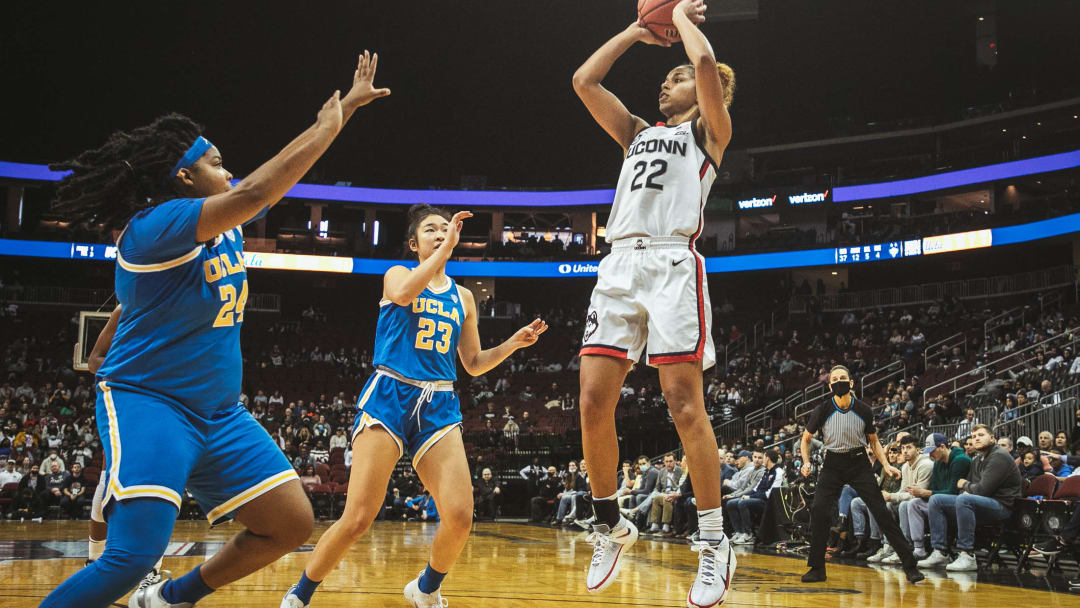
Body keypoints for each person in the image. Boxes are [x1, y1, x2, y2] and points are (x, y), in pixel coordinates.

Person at [40, 52, 390, 608]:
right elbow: (256, 193)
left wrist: (345, 106)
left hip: (219, 412)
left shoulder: (210, 222)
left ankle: (172, 598)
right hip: (152, 402)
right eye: (216, 163)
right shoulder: (159, 225)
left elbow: (140, 298)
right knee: (131, 555)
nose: (228, 172)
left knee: (290, 521)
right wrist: (328, 126)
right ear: (184, 176)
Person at [282, 204, 547, 608]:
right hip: (391, 394)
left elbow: (473, 365)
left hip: (439, 401)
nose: (441, 233)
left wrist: (512, 343)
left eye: (446, 228)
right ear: (413, 242)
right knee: (358, 518)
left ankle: (425, 588)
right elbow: (405, 295)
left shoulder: (464, 297)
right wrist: (445, 252)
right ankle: (299, 595)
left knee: (460, 515)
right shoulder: (397, 274)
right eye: (431, 230)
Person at [571, 1, 737, 603]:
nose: (668, 78)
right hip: (618, 262)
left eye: (679, 75)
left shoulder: (708, 133)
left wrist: (683, 18)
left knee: (682, 403)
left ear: (710, 90)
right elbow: (584, 81)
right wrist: (638, 30)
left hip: (672, 261)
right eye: (666, 76)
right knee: (592, 400)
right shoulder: (637, 133)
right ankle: (609, 521)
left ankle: (716, 541)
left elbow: (706, 59)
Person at [799, 365, 924, 584]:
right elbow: (806, 438)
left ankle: (909, 565)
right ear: (830, 386)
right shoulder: (822, 409)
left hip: (859, 462)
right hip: (833, 462)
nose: (839, 381)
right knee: (819, 509)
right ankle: (817, 568)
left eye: (843, 378)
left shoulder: (864, 409)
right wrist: (806, 461)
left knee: (881, 511)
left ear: (851, 383)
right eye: (835, 379)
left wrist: (885, 465)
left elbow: (874, 442)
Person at [919, 424, 1022, 571]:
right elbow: (970, 489)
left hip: (1003, 506)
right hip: (983, 503)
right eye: (974, 437)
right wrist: (967, 488)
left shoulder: (999, 456)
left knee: (964, 499)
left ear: (992, 438)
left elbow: (980, 489)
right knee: (937, 500)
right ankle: (940, 552)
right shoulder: (977, 459)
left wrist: (965, 484)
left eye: (981, 435)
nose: (976, 439)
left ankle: (967, 555)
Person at [892, 433, 971, 561]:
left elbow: (953, 491)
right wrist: (922, 492)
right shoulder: (938, 462)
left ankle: (940, 551)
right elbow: (933, 488)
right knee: (913, 503)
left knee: (933, 499)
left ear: (943, 447)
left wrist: (924, 492)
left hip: (959, 504)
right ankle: (917, 549)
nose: (930, 455)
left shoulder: (960, 460)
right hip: (940, 503)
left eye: (932, 451)